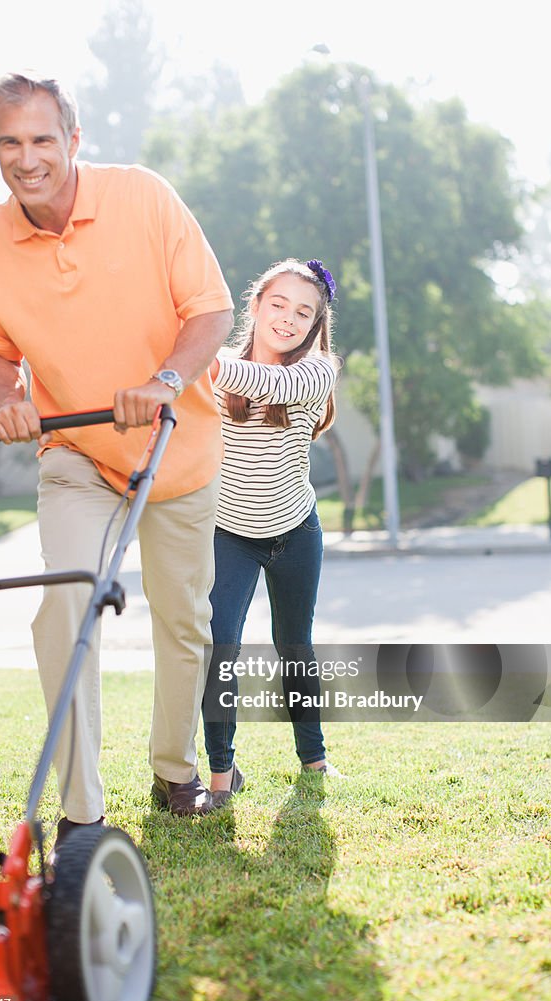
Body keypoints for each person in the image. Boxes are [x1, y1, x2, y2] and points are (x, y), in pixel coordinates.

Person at [0, 72, 234, 839]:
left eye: (42, 138)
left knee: (183, 621)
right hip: (76, 450)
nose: (28, 157)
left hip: (173, 446)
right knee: (66, 606)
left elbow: (211, 309)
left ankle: (174, 769)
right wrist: (6, 398)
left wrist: (163, 380)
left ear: (73, 139)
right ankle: (82, 811)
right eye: (10, 142)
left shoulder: (142, 197)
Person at [201, 258, 342, 806]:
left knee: (294, 645)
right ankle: (220, 775)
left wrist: (190, 357)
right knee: (221, 649)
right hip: (229, 533)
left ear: (314, 325)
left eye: (303, 312)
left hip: (294, 531)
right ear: (256, 305)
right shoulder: (218, 375)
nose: (289, 318)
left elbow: (267, 381)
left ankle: (315, 758)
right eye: (278, 304)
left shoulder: (317, 371)